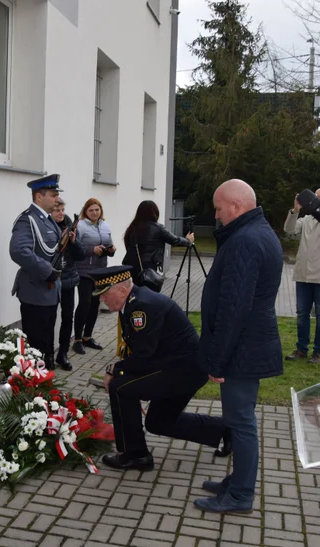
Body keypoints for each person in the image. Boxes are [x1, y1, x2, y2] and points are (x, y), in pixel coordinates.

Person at [194, 179, 283, 515]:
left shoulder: (245, 240)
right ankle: (235, 482)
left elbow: (235, 307)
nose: (216, 216)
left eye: (218, 209)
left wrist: (218, 361)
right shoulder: (257, 231)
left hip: (242, 350)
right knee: (238, 419)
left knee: (241, 421)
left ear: (235, 205)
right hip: (248, 346)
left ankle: (241, 494)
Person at [90, 266, 228, 471]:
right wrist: (124, 372)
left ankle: (136, 455)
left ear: (120, 290)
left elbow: (144, 356)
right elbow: (142, 353)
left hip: (182, 371)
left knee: (121, 387)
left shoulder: (141, 307)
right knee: (157, 422)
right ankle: (225, 430)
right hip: (179, 368)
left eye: (104, 294)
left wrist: (114, 369)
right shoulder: (134, 302)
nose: (101, 300)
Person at [10, 174, 63, 371]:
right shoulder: (28, 220)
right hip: (36, 292)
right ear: (39, 197)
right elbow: (18, 250)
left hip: (50, 291)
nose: (56, 199)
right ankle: (34, 387)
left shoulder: (47, 220)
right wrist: (46, 269)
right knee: (36, 345)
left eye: (57, 195)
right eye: (53, 194)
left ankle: (45, 380)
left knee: (48, 340)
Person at [72, 198, 116, 355]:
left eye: (97, 209)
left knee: (95, 304)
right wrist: (92, 250)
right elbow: (76, 248)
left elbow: (109, 244)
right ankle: (77, 339)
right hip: (84, 271)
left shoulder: (105, 225)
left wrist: (111, 250)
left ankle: (87, 337)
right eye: (91, 210)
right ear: (86, 211)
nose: (95, 213)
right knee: (84, 303)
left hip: (100, 271)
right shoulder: (81, 226)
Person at [283, 189, 320, 363]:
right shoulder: (306, 220)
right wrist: (295, 210)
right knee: (302, 314)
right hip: (303, 275)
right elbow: (289, 230)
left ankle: (318, 352)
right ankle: (301, 349)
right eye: (316, 196)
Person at [123, 200, 194, 285]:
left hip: (130, 265)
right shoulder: (158, 228)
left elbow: (127, 245)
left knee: (134, 291)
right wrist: (188, 241)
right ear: (155, 212)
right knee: (148, 292)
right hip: (148, 266)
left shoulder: (132, 228)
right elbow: (175, 240)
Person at [51, 198, 86, 371]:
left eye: (63, 209)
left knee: (67, 318)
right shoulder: (46, 228)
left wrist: (73, 241)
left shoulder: (71, 227)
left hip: (69, 280)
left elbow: (81, 255)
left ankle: (62, 353)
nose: (61, 213)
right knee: (49, 319)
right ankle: (47, 355)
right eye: (57, 209)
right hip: (51, 281)